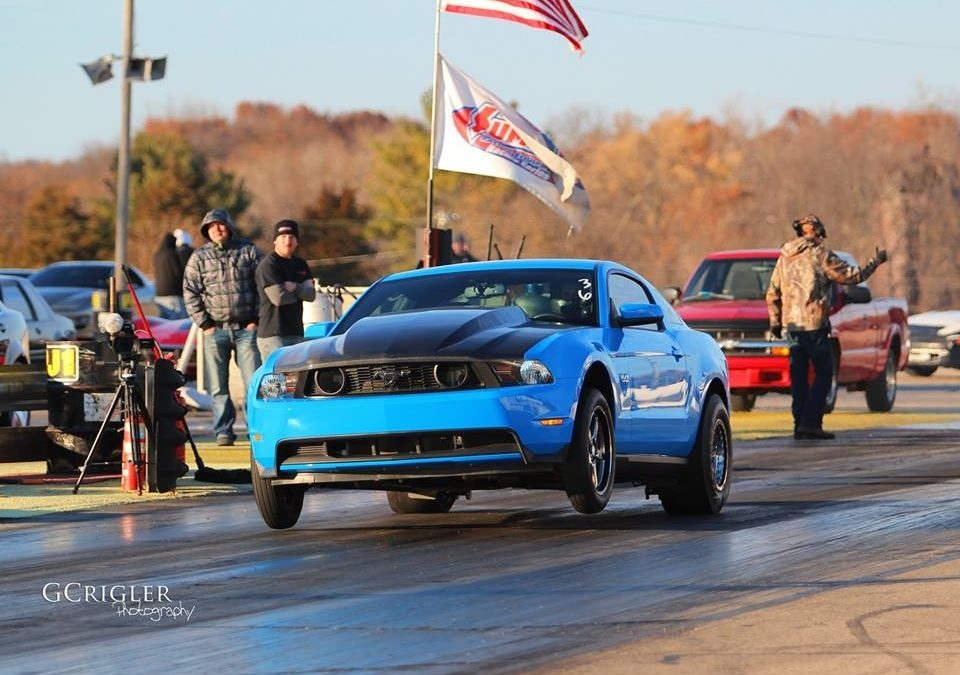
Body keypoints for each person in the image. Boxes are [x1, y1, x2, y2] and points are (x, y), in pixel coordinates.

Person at [765, 214, 888, 440]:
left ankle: (800, 423)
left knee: (799, 375)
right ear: (818, 233)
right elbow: (852, 276)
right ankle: (811, 423)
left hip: (791, 326)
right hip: (814, 325)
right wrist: (875, 262)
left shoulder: (784, 257)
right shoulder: (820, 254)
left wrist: (775, 322)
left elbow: (772, 293)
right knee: (824, 373)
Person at [183, 208, 262, 446]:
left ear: (229, 226)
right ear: (206, 231)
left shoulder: (248, 251)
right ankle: (223, 431)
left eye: (221, 224)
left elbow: (262, 286)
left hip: (246, 330)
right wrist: (205, 324)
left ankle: (255, 429)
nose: (217, 229)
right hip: (214, 330)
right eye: (211, 226)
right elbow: (190, 292)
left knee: (253, 383)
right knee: (218, 387)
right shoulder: (199, 257)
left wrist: (255, 320)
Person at [255, 219, 316, 361]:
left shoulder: (300, 264)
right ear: (275, 241)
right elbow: (279, 298)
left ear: (297, 241)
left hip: (296, 332)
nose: (287, 240)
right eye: (282, 237)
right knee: (277, 381)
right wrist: (301, 292)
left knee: (295, 381)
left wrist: (294, 287)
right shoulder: (269, 265)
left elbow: (311, 295)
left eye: (291, 237)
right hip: (273, 335)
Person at [153, 232, 187, 318]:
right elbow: (178, 271)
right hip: (173, 293)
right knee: (177, 321)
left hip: (159, 293)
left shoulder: (157, 255)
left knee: (165, 321)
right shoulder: (173, 254)